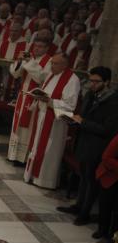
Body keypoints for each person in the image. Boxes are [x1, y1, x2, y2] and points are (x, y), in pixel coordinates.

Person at [57, 67, 118, 224]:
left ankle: (84, 213)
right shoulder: (91, 95)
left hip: (98, 147)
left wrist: (83, 122)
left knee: (91, 181)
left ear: (107, 82)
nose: (92, 84)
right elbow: (83, 116)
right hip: (84, 142)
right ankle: (78, 205)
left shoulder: (113, 102)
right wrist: (73, 119)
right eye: (91, 81)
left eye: (96, 82)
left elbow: (107, 130)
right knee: (83, 177)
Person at [24, 54, 80, 189]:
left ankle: (44, 181)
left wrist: (49, 101)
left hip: (55, 122)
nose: (51, 66)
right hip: (42, 115)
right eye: (52, 63)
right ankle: (32, 175)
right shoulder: (51, 75)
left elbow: (70, 105)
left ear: (64, 65)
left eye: (55, 64)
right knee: (37, 146)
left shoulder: (72, 80)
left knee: (49, 150)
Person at [7, 40, 51, 163]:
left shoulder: (49, 61)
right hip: (23, 96)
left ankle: (23, 158)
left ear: (47, 48)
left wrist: (29, 62)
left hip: (35, 100)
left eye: (41, 46)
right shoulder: (29, 58)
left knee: (28, 129)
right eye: (36, 46)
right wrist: (20, 61)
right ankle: (13, 155)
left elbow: (40, 77)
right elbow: (15, 74)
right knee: (17, 125)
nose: (37, 49)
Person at [95, 133, 118, 243]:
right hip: (110, 175)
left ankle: (112, 237)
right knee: (106, 206)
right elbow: (106, 157)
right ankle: (104, 232)